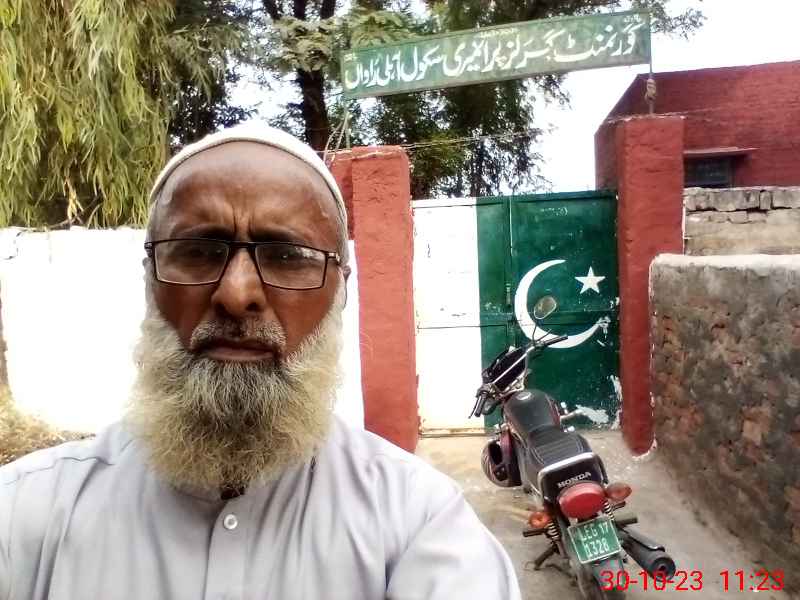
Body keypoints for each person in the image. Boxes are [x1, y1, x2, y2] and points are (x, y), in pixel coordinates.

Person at [0, 123, 521, 599]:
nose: (236, 294)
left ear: (340, 291)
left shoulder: (416, 522)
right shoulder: (27, 513)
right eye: (198, 251)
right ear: (149, 281)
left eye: (287, 256)